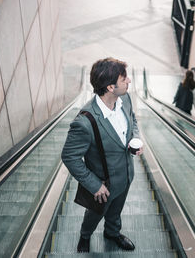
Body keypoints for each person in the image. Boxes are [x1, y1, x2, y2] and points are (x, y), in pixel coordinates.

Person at [61, 57, 143, 253]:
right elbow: (69, 157)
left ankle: (112, 233)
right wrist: (94, 184)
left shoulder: (125, 99)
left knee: (116, 210)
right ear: (110, 87)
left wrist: (135, 139)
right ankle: (85, 236)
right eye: (124, 79)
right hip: (103, 185)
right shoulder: (85, 121)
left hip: (126, 176)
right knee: (95, 214)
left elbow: (132, 119)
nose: (129, 81)